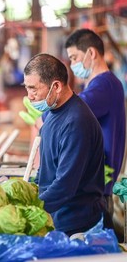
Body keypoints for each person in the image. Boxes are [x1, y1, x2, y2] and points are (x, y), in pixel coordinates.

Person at [24, 53, 106, 236]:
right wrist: (28, 190)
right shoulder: (53, 113)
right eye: (27, 88)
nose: (29, 96)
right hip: (55, 217)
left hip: (76, 224)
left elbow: (65, 185)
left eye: (33, 89)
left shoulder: (77, 122)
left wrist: (29, 207)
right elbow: (46, 171)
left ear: (56, 86)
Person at [65, 28, 126, 237]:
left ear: (91, 53)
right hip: (100, 186)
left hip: (97, 186)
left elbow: (72, 112)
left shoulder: (104, 85)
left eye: (74, 57)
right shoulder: (105, 85)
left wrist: (43, 117)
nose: (73, 65)